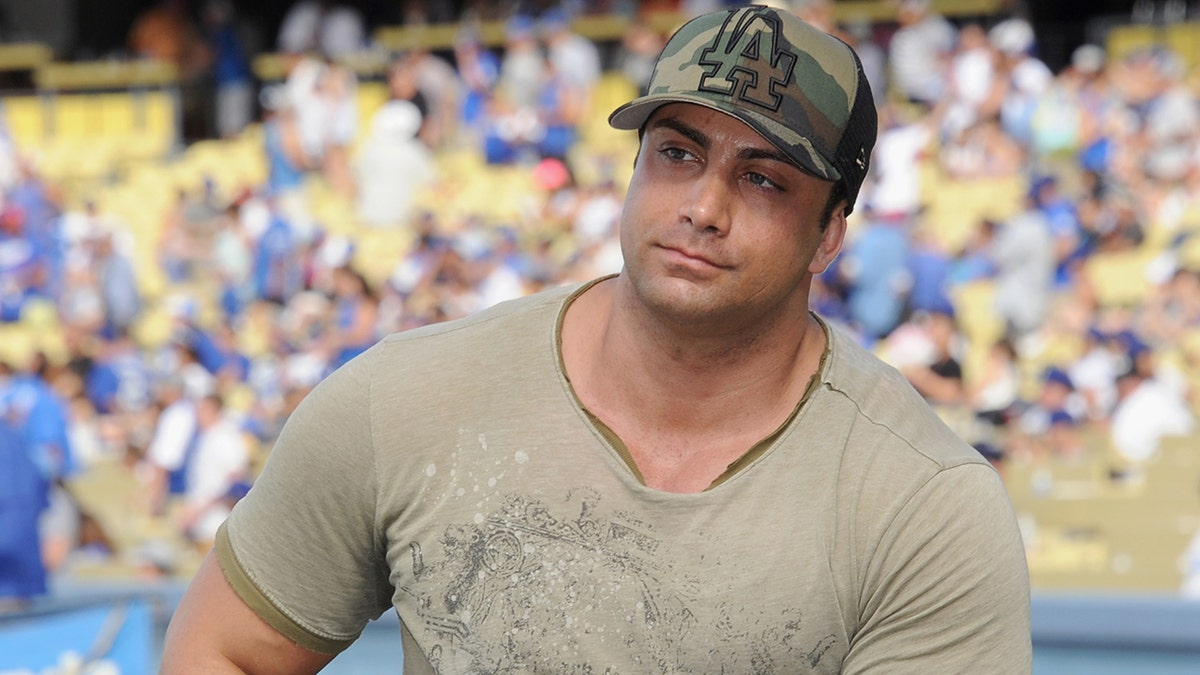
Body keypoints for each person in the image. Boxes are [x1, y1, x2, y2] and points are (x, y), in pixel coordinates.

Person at [162, 7, 1030, 672]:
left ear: (830, 232)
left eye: (762, 179)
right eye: (679, 154)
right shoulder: (408, 398)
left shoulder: (922, 506)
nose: (704, 207)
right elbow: (222, 649)